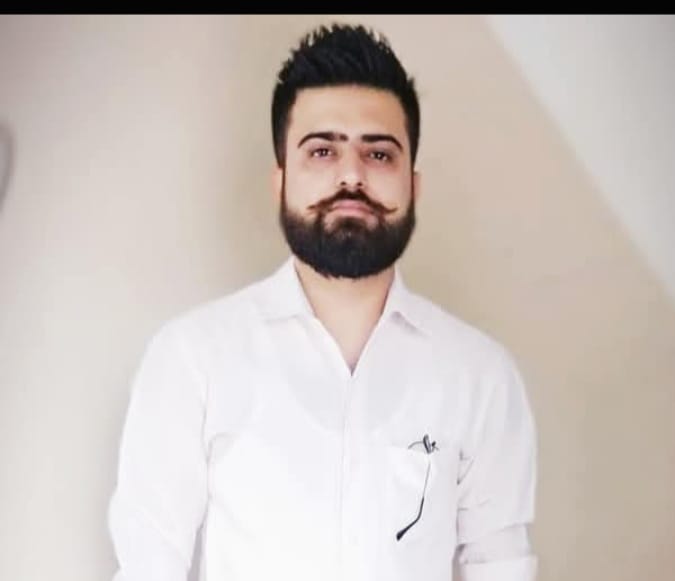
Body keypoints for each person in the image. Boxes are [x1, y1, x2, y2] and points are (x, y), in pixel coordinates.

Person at [108, 23, 537, 581]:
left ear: (413, 185)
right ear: (280, 181)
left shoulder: (481, 378)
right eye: (322, 151)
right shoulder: (194, 359)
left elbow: (499, 565)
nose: (351, 175)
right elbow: (148, 566)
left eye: (378, 154)